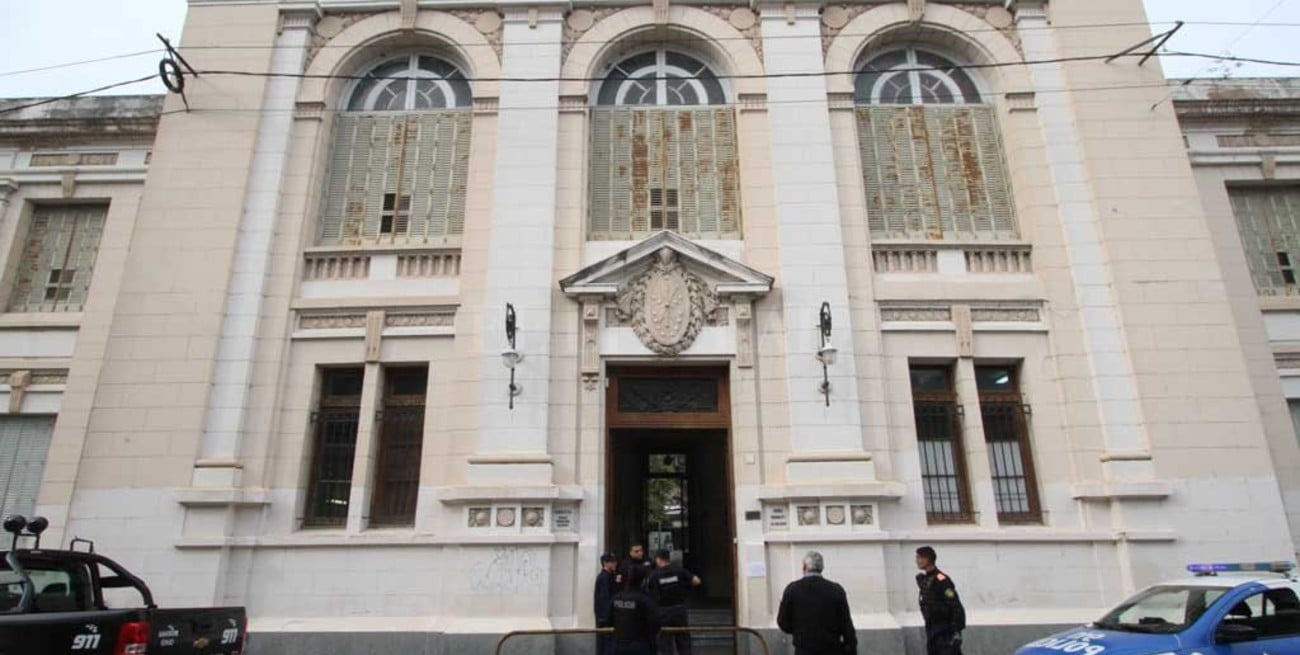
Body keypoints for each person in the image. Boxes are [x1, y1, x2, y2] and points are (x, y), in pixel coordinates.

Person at [777, 551, 857, 655]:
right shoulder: (836, 590)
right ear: (821, 568)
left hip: (804, 649)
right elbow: (847, 625)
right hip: (832, 649)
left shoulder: (792, 590)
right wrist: (851, 649)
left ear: (804, 567)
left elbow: (783, 622)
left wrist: (799, 630)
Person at [646, 550, 701, 655]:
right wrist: (685, 586)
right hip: (679, 610)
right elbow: (697, 581)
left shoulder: (654, 575)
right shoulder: (679, 570)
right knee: (683, 642)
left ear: (658, 559)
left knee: (665, 643)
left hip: (663, 611)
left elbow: (649, 591)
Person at [915, 546, 966, 655]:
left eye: (919, 558)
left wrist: (956, 630)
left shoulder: (941, 579)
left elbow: (955, 604)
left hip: (945, 631)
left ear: (927, 559)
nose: (917, 561)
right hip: (932, 629)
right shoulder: (926, 580)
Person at [612, 565, 659, 655]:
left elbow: (607, 620)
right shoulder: (645, 600)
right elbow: (655, 622)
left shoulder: (616, 598)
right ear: (643, 581)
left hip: (619, 644)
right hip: (641, 645)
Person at [595, 552, 620, 655]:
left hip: (607, 616)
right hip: (605, 617)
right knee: (605, 643)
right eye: (612, 562)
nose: (615, 564)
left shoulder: (610, 576)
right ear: (605, 563)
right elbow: (605, 599)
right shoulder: (604, 578)